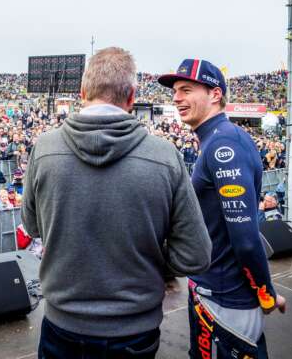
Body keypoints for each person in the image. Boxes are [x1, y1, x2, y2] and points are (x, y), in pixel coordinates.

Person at [22, 47, 212, 359]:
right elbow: (197, 255)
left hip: (61, 325)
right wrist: (151, 260)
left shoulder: (44, 149)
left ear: (82, 92)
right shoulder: (165, 157)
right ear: (131, 97)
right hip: (134, 331)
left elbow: (31, 225)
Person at [158, 58, 285, 359]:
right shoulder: (215, 140)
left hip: (227, 298)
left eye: (186, 89)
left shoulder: (223, 144)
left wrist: (265, 293)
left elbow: (244, 236)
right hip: (209, 289)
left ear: (215, 95)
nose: (176, 98)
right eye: (175, 91)